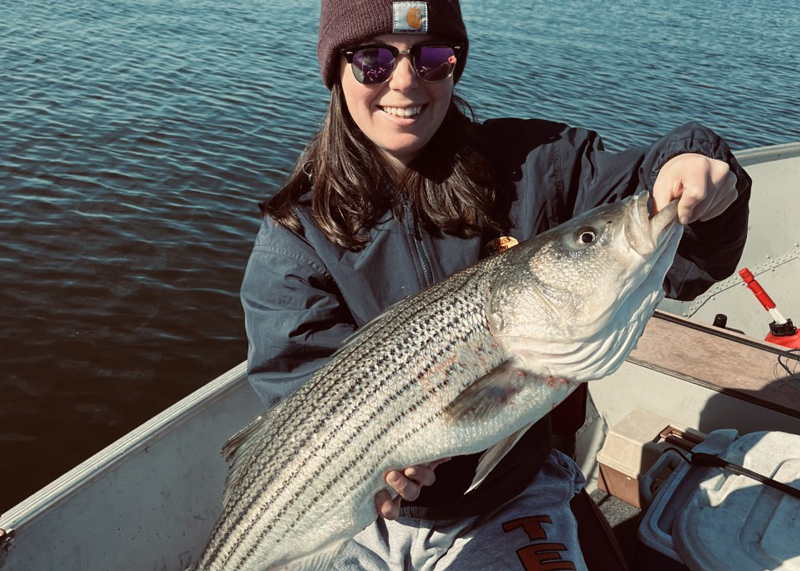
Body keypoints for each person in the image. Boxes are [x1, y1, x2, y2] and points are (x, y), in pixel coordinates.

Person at [240, 0, 750, 569]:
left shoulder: (533, 165)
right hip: (348, 517)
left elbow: (659, 217)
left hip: (511, 495)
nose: (406, 81)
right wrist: (370, 460)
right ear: (336, 68)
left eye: (433, 56)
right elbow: (297, 387)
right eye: (373, 59)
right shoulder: (296, 233)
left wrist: (697, 166)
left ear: (456, 64)